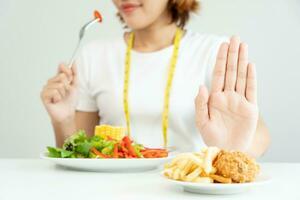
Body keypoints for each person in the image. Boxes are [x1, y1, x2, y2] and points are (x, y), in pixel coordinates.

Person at [41, 0, 270, 157]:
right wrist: (62, 120)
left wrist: (235, 145)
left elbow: (259, 136)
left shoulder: (213, 51)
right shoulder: (94, 55)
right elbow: (80, 154)